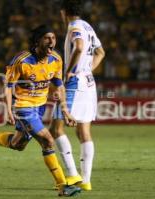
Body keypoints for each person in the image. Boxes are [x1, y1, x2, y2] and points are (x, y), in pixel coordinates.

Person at [0, 25, 81, 197]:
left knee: (17, 144)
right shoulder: (22, 60)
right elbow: (8, 87)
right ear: (37, 41)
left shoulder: (56, 60)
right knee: (47, 140)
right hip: (23, 107)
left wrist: (66, 111)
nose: (52, 41)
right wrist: (8, 110)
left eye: (53, 38)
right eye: (47, 38)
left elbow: (59, 87)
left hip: (40, 106)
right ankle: (62, 186)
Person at [49, 0, 105, 191]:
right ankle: (86, 181)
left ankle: (73, 175)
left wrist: (71, 71)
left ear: (63, 12)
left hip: (75, 84)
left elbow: (79, 47)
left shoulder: (74, 27)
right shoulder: (88, 26)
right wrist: (87, 69)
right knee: (83, 131)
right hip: (89, 83)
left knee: (56, 129)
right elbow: (101, 52)